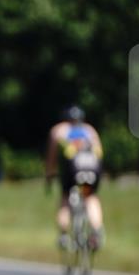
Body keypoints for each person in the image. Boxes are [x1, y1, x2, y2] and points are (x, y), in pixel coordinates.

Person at [45, 105, 105, 251]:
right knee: (90, 197)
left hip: (72, 170)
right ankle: (96, 232)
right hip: (92, 168)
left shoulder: (59, 130)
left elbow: (52, 156)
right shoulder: (89, 130)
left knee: (65, 197)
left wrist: (49, 174)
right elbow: (100, 153)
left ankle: (64, 235)